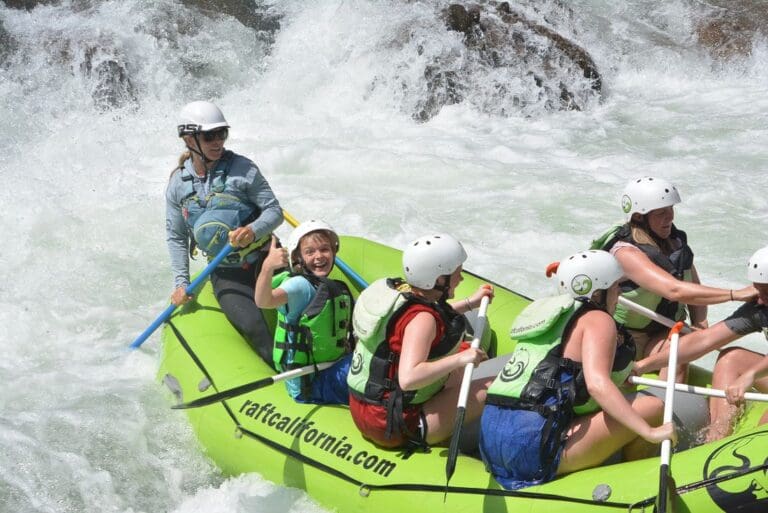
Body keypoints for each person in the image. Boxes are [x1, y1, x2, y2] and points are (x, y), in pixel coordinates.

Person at [479, 250, 676, 490]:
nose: (618, 295)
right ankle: (637, 480)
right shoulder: (598, 319)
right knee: (652, 407)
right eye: (616, 287)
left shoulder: (548, 313)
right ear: (598, 293)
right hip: (531, 452)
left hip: (489, 444)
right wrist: (649, 432)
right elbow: (596, 384)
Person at [593, 176, 756, 374]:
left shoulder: (675, 243)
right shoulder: (626, 253)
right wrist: (735, 294)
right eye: (661, 212)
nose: (669, 217)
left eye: (670, 209)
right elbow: (674, 290)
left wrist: (699, 323)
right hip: (626, 340)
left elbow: (693, 288)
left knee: (683, 346)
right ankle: (658, 403)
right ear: (638, 217)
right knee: (678, 352)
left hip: (662, 333)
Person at [347, 233, 494, 449]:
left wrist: (470, 303)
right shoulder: (422, 319)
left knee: (460, 356)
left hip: (368, 411)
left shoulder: (402, 296)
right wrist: (461, 359)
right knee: (491, 384)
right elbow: (408, 378)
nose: (461, 278)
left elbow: (428, 320)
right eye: (456, 273)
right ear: (438, 279)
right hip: (395, 424)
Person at [166, 100, 283, 366]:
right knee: (252, 326)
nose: (218, 141)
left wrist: (252, 231)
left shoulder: (244, 169)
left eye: (222, 134)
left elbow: (274, 211)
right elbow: (176, 237)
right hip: (227, 271)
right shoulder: (177, 186)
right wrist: (181, 284)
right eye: (209, 136)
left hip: (268, 259)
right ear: (188, 138)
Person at [634, 246, 768, 441]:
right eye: (758, 290)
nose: (761, 300)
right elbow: (704, 340)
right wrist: (643, 365)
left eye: (766, 292)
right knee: (731, 358)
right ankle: (716, 440)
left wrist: (750, 375)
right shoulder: (759, 307)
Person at [254, 220, 354, 405]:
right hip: (309, 384)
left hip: (329, 369)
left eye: (325, 249)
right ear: (298, 258)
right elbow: (263, 301)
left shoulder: (336, 288)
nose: (319, 256)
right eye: (310, 252)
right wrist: (267, 267)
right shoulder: (300, 286)